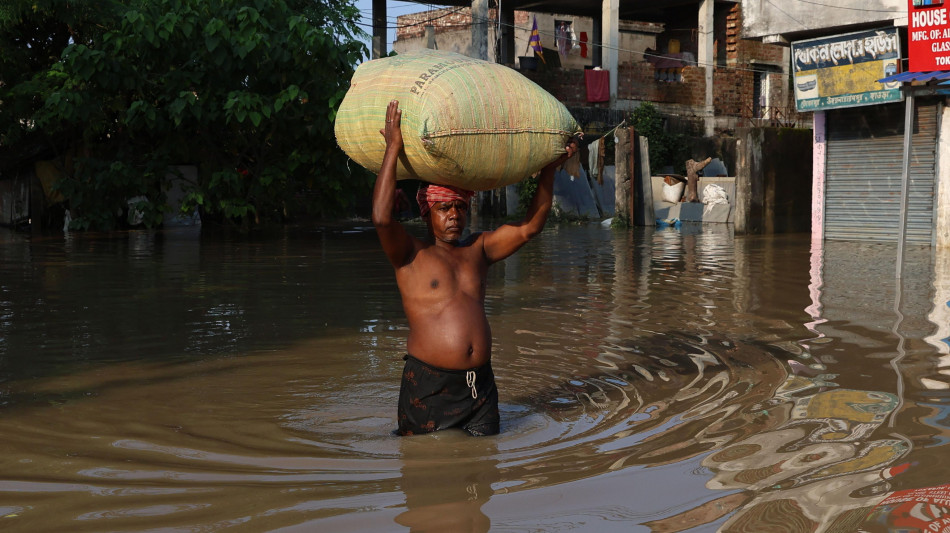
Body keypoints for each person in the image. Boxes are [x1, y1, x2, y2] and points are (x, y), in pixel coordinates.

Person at [372, 100, 578, 437]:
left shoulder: (478, 250)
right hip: (429, 388)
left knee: (483, 478)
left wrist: (549, 169)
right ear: (427, 214)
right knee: (426, 476)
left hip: (480, 389)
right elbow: (381, 219)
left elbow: (530, 228)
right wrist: (393, 147)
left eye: (460, 207)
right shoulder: (411, 255)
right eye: (444, 208)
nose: (454, 215)